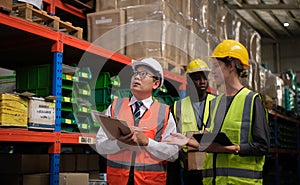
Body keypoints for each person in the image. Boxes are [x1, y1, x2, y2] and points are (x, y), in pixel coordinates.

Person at [164, 40, 270, 185]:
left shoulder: (252, 100)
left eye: (216, 66)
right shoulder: (216, 103)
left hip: (240, 182)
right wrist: (189, 142)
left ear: (231, 66)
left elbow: (262, 146)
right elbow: (210, 143)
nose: (212, 72)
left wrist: (231, 149)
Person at [96, 57, 179, 185]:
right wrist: (120, 144)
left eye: (143, 74)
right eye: (135, 73)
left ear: (156, 84)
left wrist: (147, 142)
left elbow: (173, 154)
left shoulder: (165, 113)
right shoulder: (114, 107)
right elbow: (100, 146)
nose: (137, 77)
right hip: (118, 181)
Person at [172, 58, 215, 185]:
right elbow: (174, 134)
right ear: (189, 81)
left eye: (205, 78)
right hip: (189, 166)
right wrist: (181, 156)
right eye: (197, 78)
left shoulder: (217, 102)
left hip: (211, 164)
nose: (202, 82)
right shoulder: (178, 106)